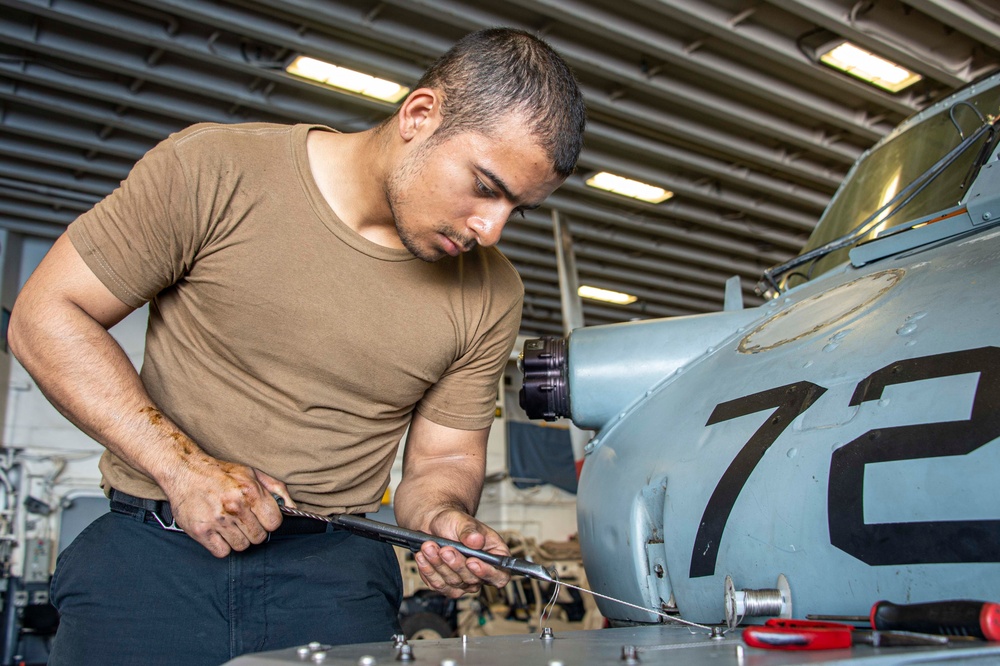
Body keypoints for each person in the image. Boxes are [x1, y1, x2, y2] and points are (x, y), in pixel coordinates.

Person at [8, 27, 586, 665]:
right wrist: (183, 468)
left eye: (517, 209)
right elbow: (46, 315)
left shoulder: (492, 293)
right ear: (420, 115)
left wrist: (448, 521)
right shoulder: (215, 169)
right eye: (485, 185)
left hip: (335, 581)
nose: (491, 228)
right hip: (150, 561)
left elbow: (441, 463)